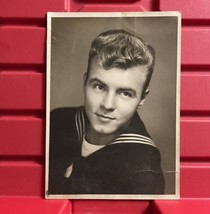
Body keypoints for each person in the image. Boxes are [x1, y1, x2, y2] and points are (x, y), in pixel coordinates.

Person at [48, 29, 165, 195]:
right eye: (99, 87)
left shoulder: (143, 168)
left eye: (125, 93)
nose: (108, 104)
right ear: (85, 82)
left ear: (142, 99)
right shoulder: (57, 121)